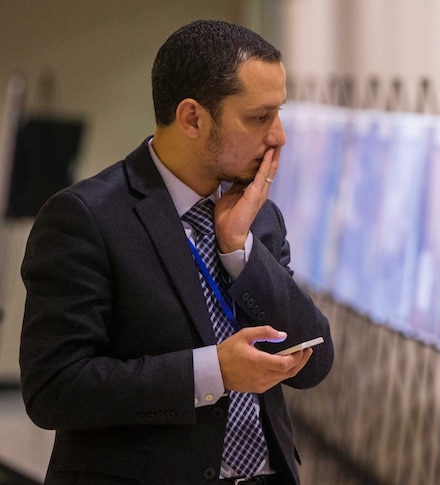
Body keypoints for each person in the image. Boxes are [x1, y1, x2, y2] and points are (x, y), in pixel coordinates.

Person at [18, 20, 334, 484]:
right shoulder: (85, 217)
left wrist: (238, 250)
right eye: (259, 117)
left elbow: (313, 365)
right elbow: (54, 388)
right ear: (192, 118)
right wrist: (211, 372)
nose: (279, 136)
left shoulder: (259, 217)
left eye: (279, 113)